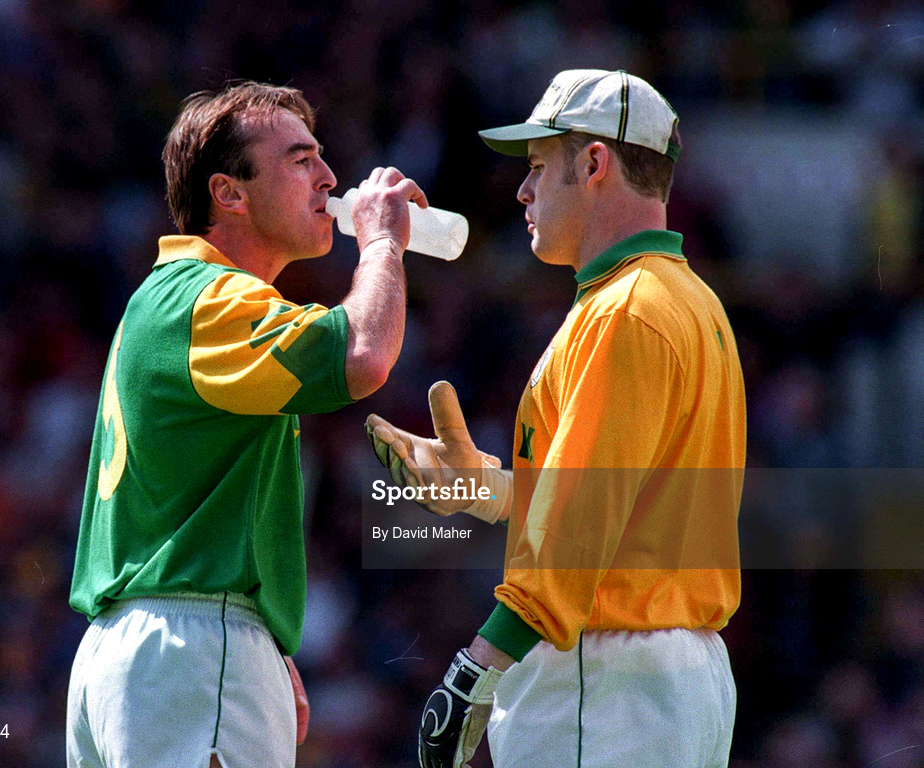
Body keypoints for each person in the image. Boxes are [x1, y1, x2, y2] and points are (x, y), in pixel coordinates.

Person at [367, 69, 746, 768]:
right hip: (669, 680)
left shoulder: (623, 308)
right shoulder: (691, 301)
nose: (522, 189)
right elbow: (627, 507)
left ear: (595, 163)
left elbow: (580, 529)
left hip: (601, 675)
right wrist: (492, 489)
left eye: (539, 165)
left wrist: (479, 664)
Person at [66, 80, 426, 768]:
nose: (328, 177)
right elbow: (363, 355)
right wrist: (382, 246)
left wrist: (251, 633)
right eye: (299, 160)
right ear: (229, 193)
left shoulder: (169, 299)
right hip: (189, 651)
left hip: (140, 654)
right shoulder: (211, 299)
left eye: (321, 157)